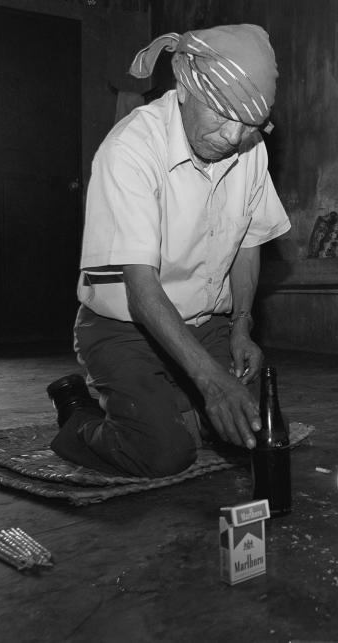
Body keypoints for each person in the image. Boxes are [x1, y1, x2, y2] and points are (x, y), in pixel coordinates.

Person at [46, 24, 290, 478]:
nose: (234, 137)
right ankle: (77, 414)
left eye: (248, 124)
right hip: (124, 326)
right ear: (184, 87)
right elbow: (141, 292)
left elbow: (247, 243)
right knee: (161, 453)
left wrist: (241, 326)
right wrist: (210, 382)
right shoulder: (130, 150)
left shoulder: (250, 148)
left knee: (260, 427)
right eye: (221, 115)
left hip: (204, 325)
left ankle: (170, 404)